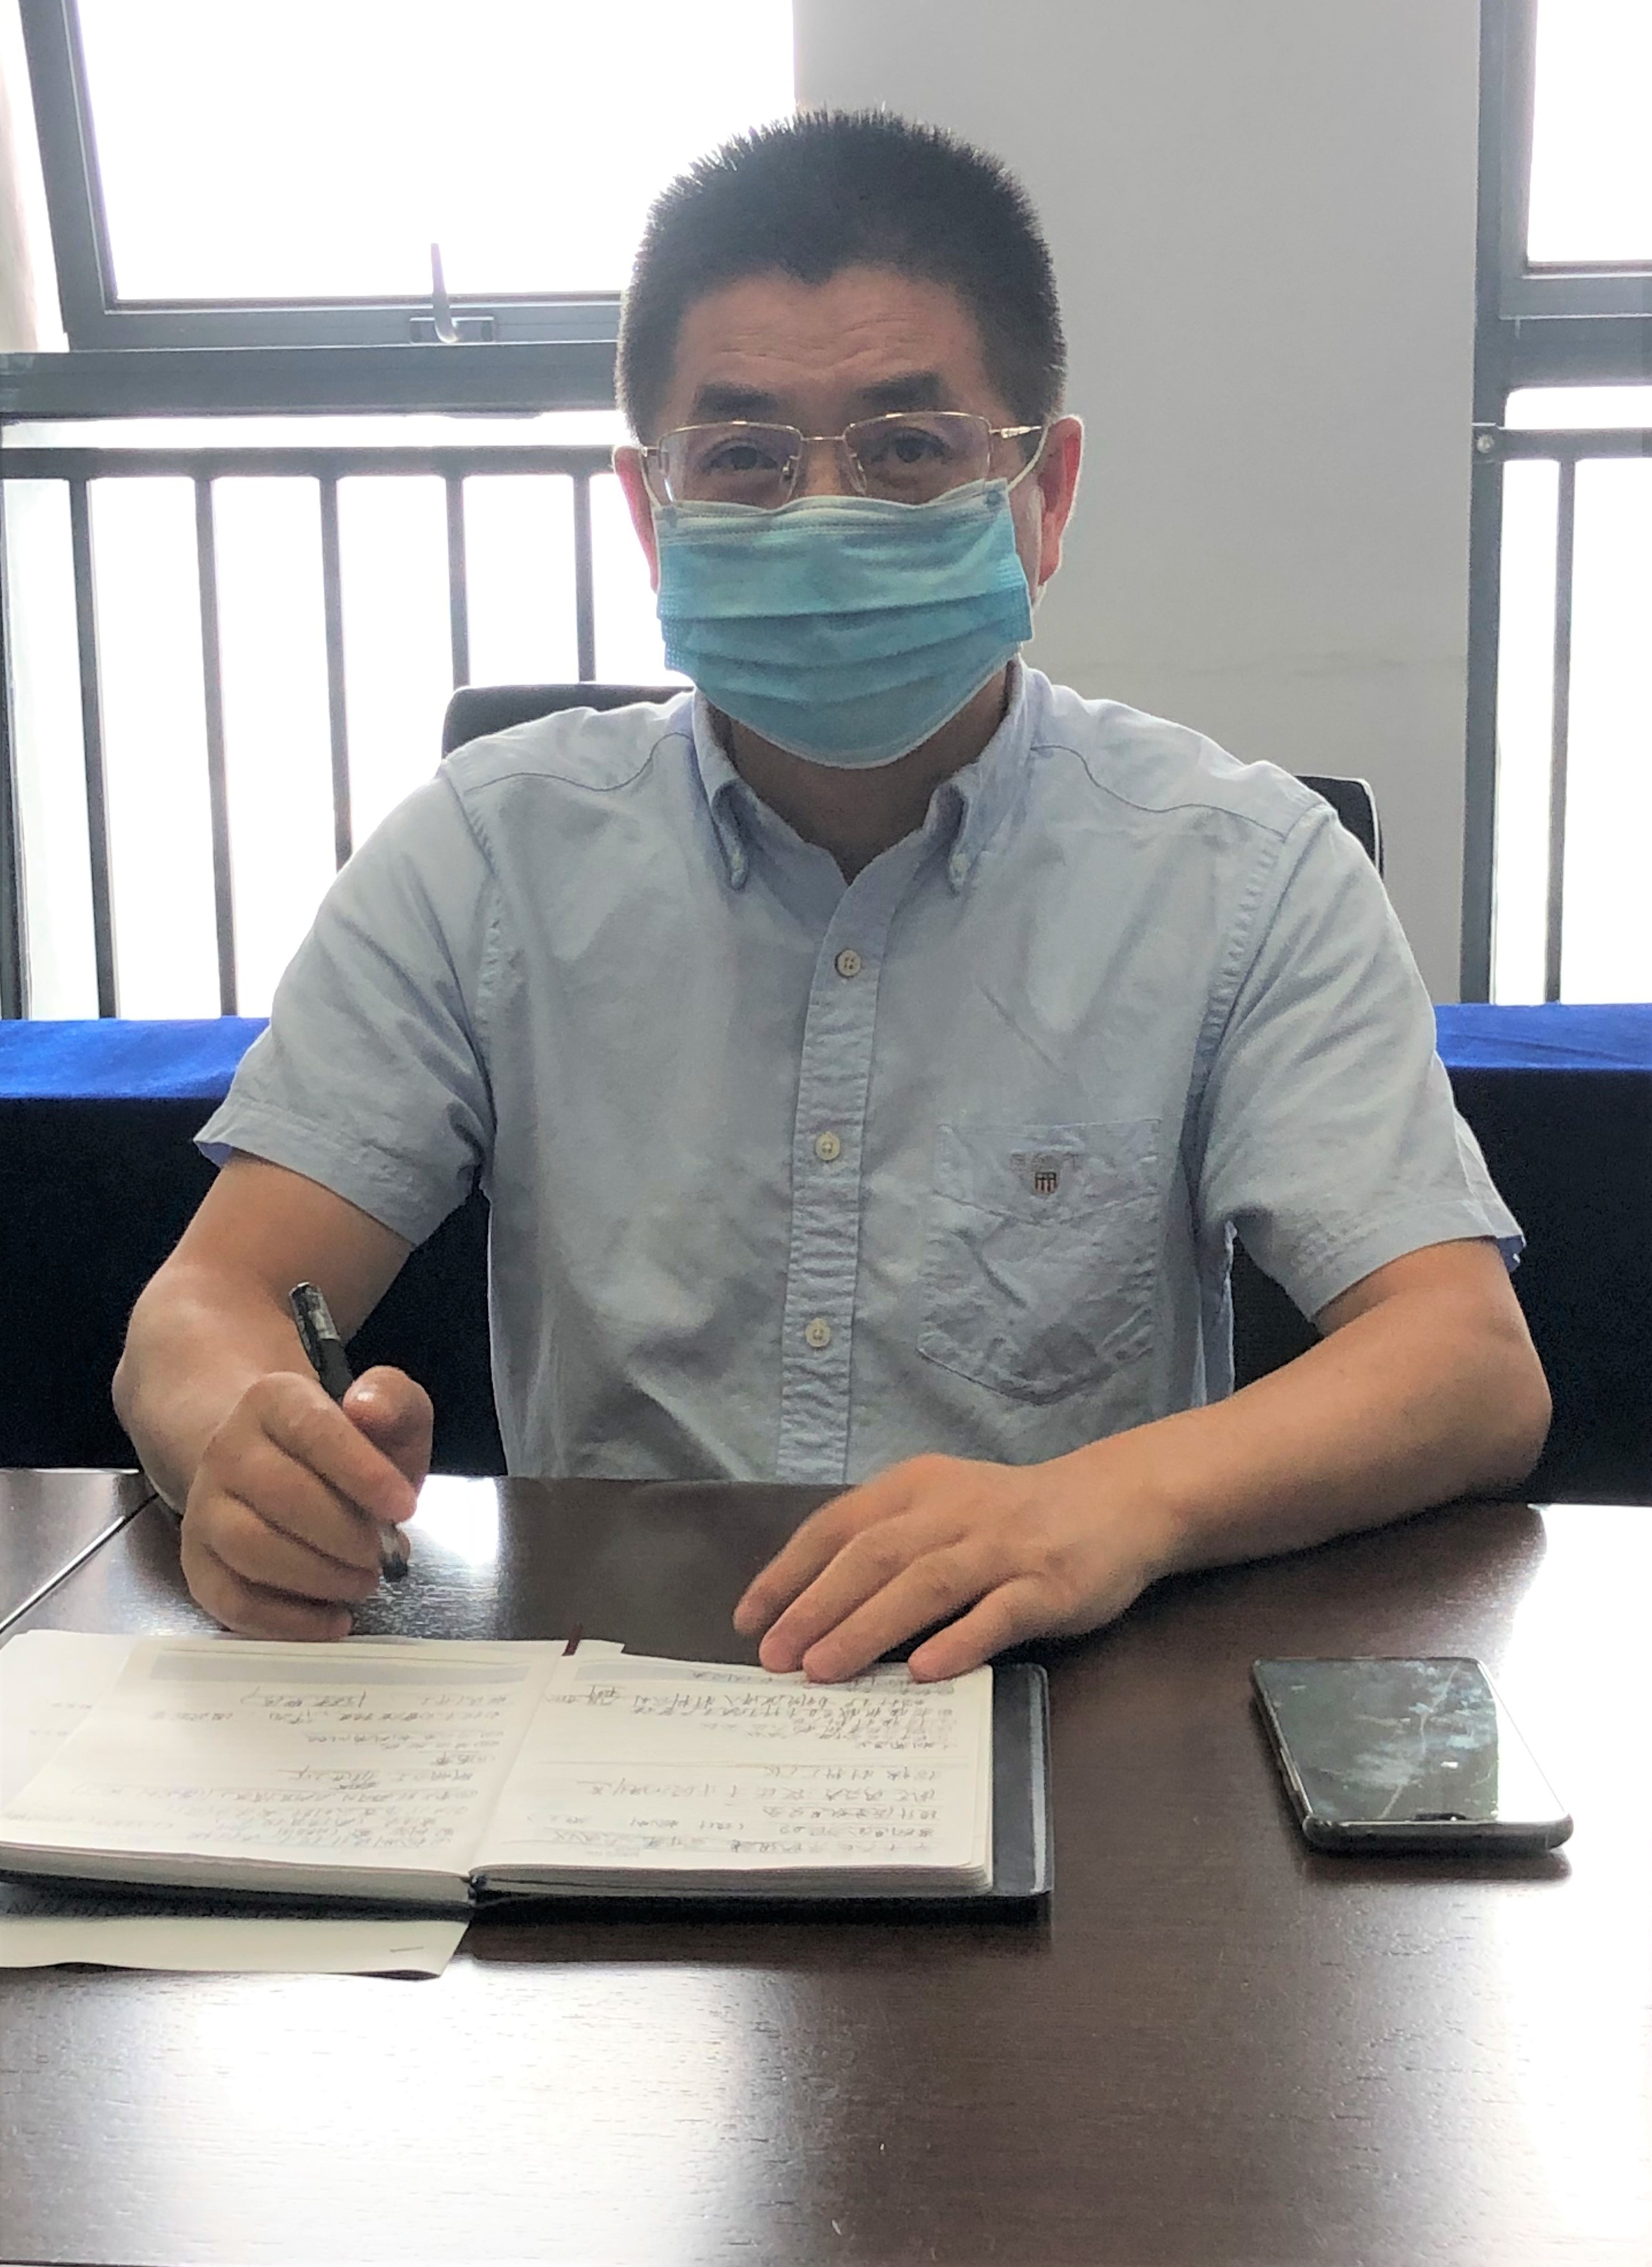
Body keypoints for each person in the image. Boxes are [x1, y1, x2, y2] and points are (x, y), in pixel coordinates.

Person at [113, 111, 1549, 1679]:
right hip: (613, 1696)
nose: (818, 514)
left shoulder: (1245, 868)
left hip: (1064, 1699)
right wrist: (240, 1444)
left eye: (907, 449)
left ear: (1047, 492)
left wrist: (1105, 1505)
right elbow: (210, 1301)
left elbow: (1465, 1363)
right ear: (652, 509)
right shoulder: (486, 853)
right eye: (742, 458)